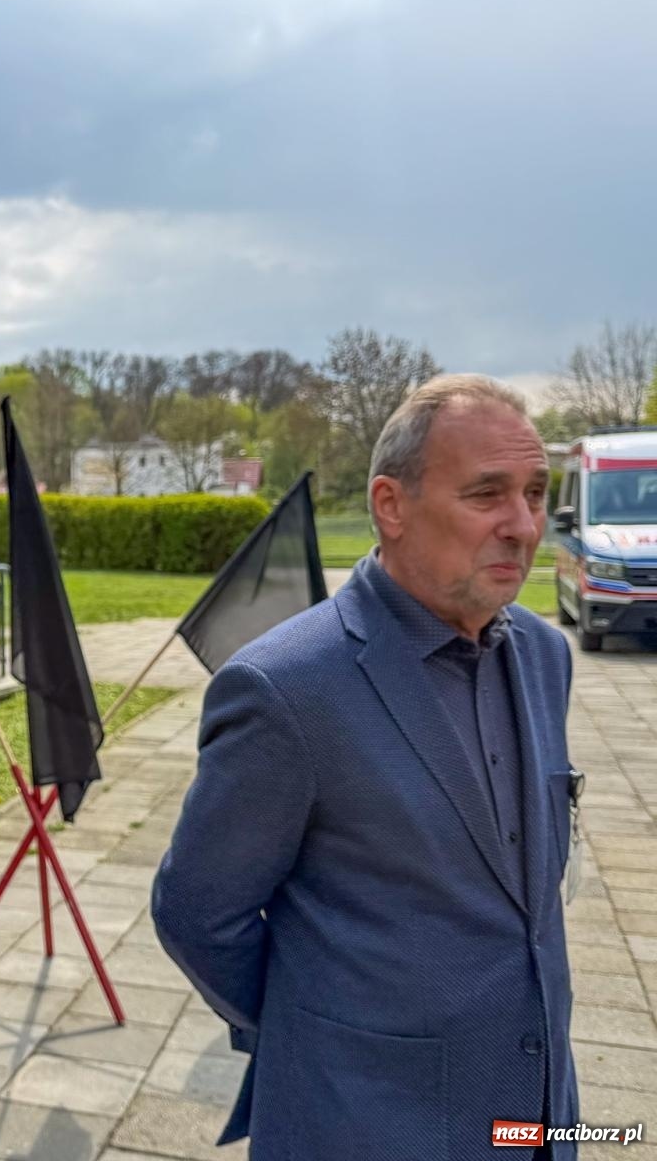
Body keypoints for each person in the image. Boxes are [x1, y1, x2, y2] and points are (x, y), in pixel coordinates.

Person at [153, 375, 576, 1160]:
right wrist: (317, 1031)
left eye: (535, 493)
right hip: (364, 1121)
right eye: (487, 494)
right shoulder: (287, 688)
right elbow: (198, 912)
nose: (523, 525)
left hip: (536, 1116)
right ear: (391, 504)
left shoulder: (548, 657)